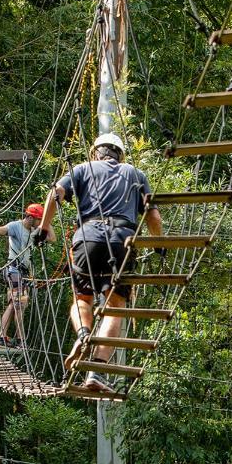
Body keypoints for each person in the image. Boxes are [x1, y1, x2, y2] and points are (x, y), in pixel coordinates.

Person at [35, 132, 163, 393]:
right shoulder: (136, 174)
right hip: (123, 241)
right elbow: (153, 215)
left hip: (87, 241)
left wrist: (44, 228)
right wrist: (159, 242)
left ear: (96, 152)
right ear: (121, 154)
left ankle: (84, 334)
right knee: (114, 307)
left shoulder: (82, 169)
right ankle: (96, 371)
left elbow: (55, 193)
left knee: (82, 299)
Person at [0, 203, 55, 347]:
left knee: (14, 305)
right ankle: (20, 339)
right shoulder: (15, 226)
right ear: (29, 217)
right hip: (13, 269)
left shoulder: (35, 230)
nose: (39, 223)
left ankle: (2, 337)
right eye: (38, 219)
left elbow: (52, 238)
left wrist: (47, 220)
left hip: (22, 272)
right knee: (20, 304)